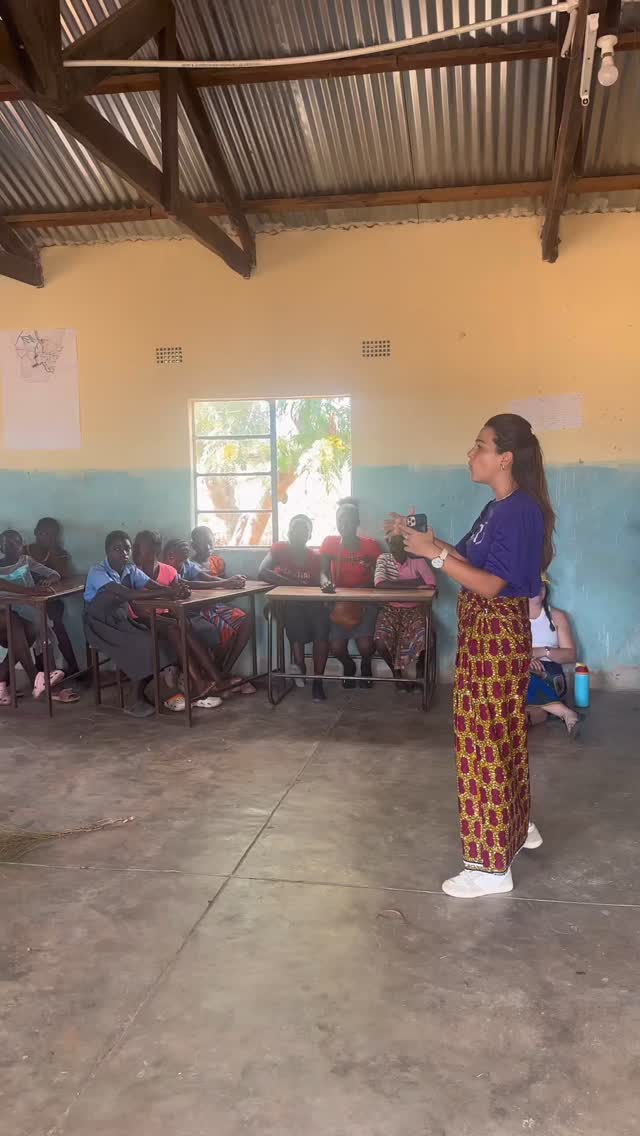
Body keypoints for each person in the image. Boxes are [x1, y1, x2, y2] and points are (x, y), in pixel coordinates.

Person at [391, 413, 554, 899]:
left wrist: (436, 557)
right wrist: (422, 541)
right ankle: (517, 827)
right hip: (485, 634)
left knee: (480, 739)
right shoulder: (497, 509)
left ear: (505, 458)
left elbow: (491, 585)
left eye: (480, 446)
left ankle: (489, 867)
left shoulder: (519, 511)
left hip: (497, 633)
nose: (471, 454)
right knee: (499, 731)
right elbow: (462, 559)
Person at [84, 530, 215, 718]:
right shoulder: (98, 571)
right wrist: (169, 592)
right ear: (107, 551)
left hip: (121, 620)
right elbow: (126, 594)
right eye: (117, 549)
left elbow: (154, 585)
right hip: (100, 625)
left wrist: (174, 590)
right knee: (147, 642)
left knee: (168, 630)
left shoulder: (130, 570)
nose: (123, 553)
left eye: (127, 549)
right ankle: (134, 699)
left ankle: (196, 682)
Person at [131, 530, 230, 710]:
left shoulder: (167, 570)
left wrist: (183, 592)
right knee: (177, 628)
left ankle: (211, 680)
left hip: (164, 616)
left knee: (183, 626)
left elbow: (183, 588)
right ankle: (206, 681)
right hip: (141, 619)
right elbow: (135, 604)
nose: (141, 552)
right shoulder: (132, 572)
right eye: (139, 548)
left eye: (145, 547)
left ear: (156, 548)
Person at [162, 540, 254, 693]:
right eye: (182, 558)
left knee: (244, 620)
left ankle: (222, 673)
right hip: (185, 613)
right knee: (219, 628)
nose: (185, 561)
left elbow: (204, 577)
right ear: (171, 556)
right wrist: (225, 583)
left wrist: (229, 582)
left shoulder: (187, 565)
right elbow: (187, 584)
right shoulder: (166, 570)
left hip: (199, 609)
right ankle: (215, 677)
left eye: (186, 558)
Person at [0, 528, 77, 704]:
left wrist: (48, 580)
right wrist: (30, 591)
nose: (12, 547)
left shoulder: (26, 561)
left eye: (16, 543)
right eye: (7, 544)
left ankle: (39, 680)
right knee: (40, 628)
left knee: (40, 630)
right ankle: (48, 685)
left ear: (22, 545)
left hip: (26, 610)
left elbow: (53, 574)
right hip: (7, 614)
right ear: (1, 547)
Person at [259, 514, 329, 701]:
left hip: (311, 603)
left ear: (309, 535)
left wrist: (326, 584)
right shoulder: (279, 549)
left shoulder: (315, 557)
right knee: (292, 614)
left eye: (303, 529)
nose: (298, 532)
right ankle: (299, 664)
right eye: (294, 528)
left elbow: (323, 576)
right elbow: (262, 571)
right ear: (288, 532)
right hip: (287, 603)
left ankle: (318, 681)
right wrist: (292, 583)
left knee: (322, 628)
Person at [319, 497, 381, 689]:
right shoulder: (330, 543)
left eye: (348, 519)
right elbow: (322, 572)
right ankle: (348, 665)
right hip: (340, 602)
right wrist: (325, 583)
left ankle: (366, 663)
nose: (343, 524)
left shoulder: (370, 546)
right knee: (336, 648)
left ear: (357, 522)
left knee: (365, 646)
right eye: (340, 519)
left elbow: (380, 577)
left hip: (365, 601)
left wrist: (369, 576)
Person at [373, 534, 436, 689]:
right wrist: (415, 584)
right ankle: (397, 674)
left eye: (400, 544)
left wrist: (394, 584)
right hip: (390, 608)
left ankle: (420, 673)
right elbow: (380, 584)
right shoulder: (384, 559)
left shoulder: (418, 560)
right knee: (380, 641)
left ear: (407, 545)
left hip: (414, 608)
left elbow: (432, 586)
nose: (396, 548)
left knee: (425, 637)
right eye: (392, 544)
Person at [27, 516, 79, 674]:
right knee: (35, 629)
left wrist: (53, 551)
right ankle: (42, 668)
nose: (48, 538)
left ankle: (74, 668)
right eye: (44, 533)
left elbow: (63, 574)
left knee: (58, 625)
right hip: (27, 602)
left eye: (52, 535)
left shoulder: (60, 553)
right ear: (36, 533)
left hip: (52, 601)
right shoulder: (25, 552)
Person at [527, 581, 579, 735]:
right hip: (522, 668)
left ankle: (565, 712)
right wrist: (526, 660)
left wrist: (544, 651)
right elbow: (506, 651)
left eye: (541, 586)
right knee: (525, 709)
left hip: (550, 674)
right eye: (532, 586)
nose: (538, 590)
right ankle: (560, 713)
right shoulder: (512, 618)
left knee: (524, 679)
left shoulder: (556, 616)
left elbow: (571, 655)